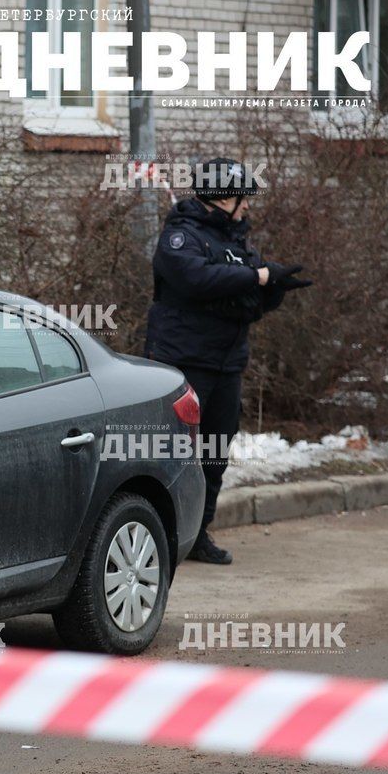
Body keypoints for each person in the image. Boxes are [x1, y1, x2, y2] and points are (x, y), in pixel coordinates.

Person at [144, 157, 312, 565]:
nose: (248, 207)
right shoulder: (180, 237)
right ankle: (164, 537)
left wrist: (273, 288)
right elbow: (196, 280)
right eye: (243, 198)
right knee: (174, 453)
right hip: (184, 363)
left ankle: (198, 533)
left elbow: (246, 298)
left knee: (215, 454)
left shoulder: (238, 242)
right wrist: (257, 279)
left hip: (226, 364)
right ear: (222, 199)